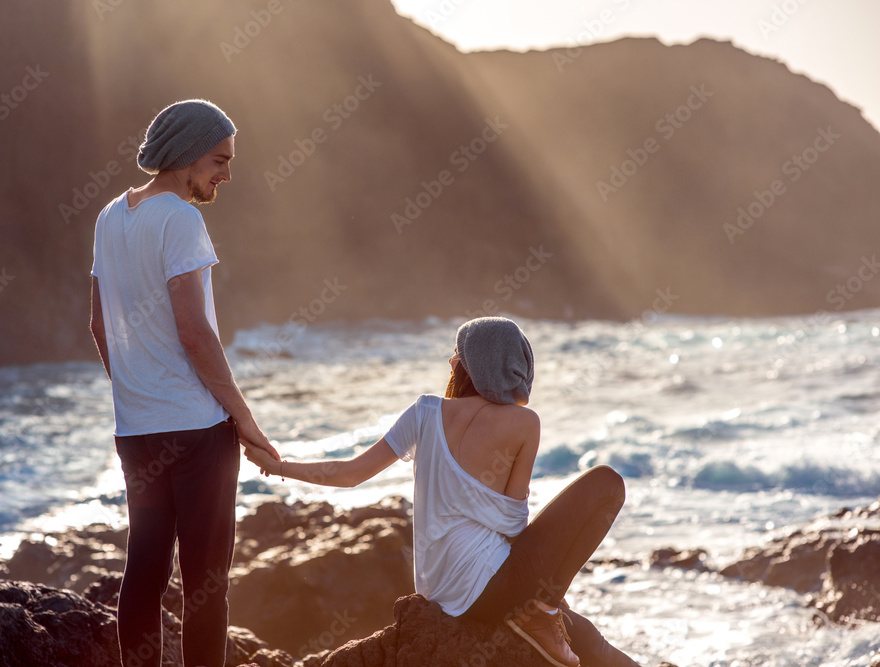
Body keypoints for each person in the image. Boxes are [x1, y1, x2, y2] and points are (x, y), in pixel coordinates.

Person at [245, 317, 639, 667]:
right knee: (607, 482)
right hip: (494, 589)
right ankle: (541, 613)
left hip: (441, 595)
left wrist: (279, 466)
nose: (452, 362)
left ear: (475, 364)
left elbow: (350, 473)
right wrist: (546, 588)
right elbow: (515, 524)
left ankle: (545, 613)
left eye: (458, 353)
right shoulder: (524, 423)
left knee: (587, 638)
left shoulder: (424, 412)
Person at [90, 99, 280, 667]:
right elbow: (195, 332)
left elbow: (99, 324)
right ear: (188, 153)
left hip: (138, 430)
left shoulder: (109, 216)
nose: (227, 173)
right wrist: (245, 422)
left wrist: (134, 389)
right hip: (198, 432)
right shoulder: (180, 218)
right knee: (206, 585)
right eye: (220, 159)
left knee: (143, 570)